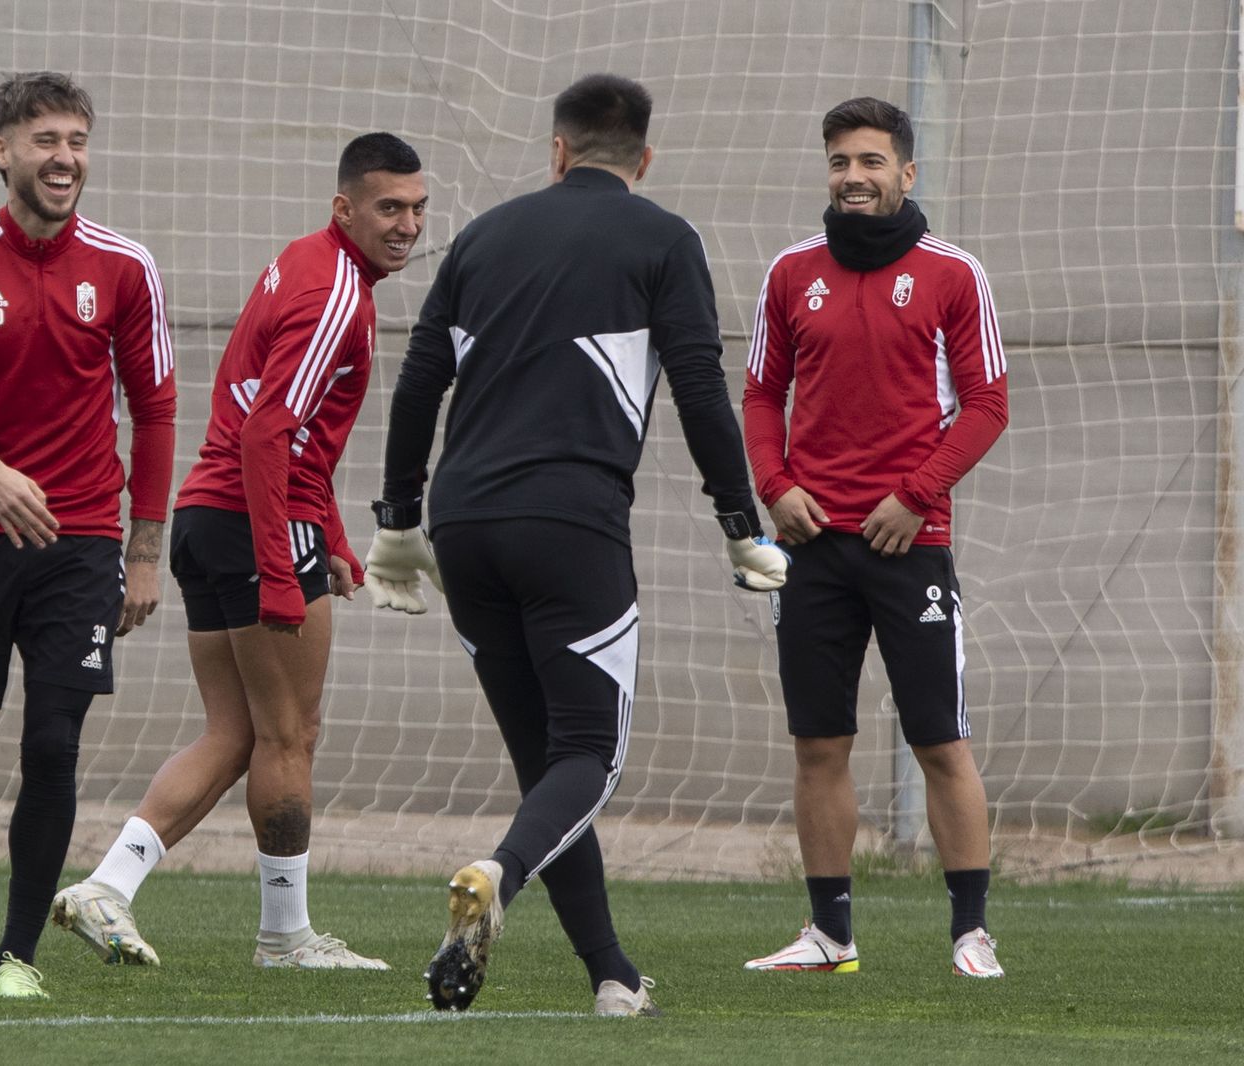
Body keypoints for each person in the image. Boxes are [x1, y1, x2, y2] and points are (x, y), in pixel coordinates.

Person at [364, 74, 788, 1016]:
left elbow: (418, 381)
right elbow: (700, 390)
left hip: (463, 527)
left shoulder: (482, 235)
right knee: (590, 754)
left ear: (556, 152)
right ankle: (498, 877)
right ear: (643, 160)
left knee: (548, 767)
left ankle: (612, 976)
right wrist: (740, 526)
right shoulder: (663, 237)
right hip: (570, 525)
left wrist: (396, 520)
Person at [50, 133, 428, 971]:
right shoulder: (337, 291)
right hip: (256, 523)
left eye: (416, 208)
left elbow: (274, 418)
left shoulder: (302, 264)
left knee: (235, 731)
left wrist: (328, 537)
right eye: (388, 208)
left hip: (209, 518)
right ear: (345, 209)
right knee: (291, 736)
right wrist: (281, 567)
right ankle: (285, 939)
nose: (407, 225)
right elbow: (269, 433)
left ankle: (107, 887)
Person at [0, 71, 176, 1000]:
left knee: (54, 745)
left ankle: (17, 954)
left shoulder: (127, 266)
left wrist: (143, 549)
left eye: (78, 142)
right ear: (3, 150)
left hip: (84, 540)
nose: (65, 160)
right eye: (46, 141)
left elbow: (158, 405)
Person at [741, 97, 1009, 978]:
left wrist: (916, 494)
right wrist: (774, 487)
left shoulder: (953, 274)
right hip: (813, 549)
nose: (852, 177)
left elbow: (987, 405)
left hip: (911, 542)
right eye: (838, 162)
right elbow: (757, 396)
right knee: (819, 744)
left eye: (869, 161)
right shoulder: (789, 273)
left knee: (939, 740)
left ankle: (971, 932)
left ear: (907, 172)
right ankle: (829, 936)